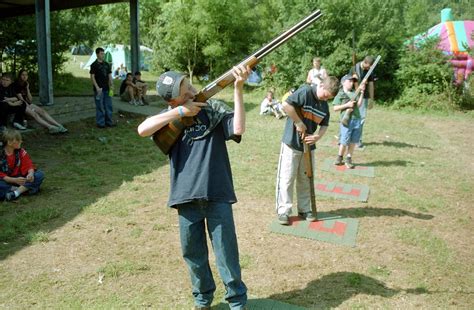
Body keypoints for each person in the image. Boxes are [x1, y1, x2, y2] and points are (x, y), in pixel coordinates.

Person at [137, 65, 251, 310]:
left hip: (217, 192)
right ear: (172, 100)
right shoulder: (171, 117)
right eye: (183, 89)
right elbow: (142, 129)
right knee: (194, 256)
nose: (190, 90)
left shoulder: (213, 108)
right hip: (185, 197)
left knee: (226, 254)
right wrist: (180, 111)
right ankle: (202, 300)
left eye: (188, 83)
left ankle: (237, 302)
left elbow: (238, 129)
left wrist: (238, 88)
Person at [276, 76, 339, 225]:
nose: (326, 99)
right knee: (287, 178)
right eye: (326, 95)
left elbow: (325, 124)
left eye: (329, 98)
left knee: (305, 179)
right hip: (291, 143)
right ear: (322, 86)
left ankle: (304, 209)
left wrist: (317, 136)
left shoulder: (324, 106)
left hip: (308, 148)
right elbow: (286, 104)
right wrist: (298, 122)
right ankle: (283, 211)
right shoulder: (305, 92)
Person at [14, 69, 68, 134]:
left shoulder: (26, 84)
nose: (24, 76)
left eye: (26, 75)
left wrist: (27, 89)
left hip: (27, 103)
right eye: (23, 75)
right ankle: (50, 127)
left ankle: (58, 125)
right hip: (20, 104)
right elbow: (21, 99)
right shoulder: (16, 85)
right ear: (19, 76)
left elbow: (30, 100)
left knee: (42, 111)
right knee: (35, 114)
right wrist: (30, 107)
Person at [0, 129, 44, 201]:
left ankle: (16, 193)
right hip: (6, 180)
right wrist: (13, 180)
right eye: (18, 140)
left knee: (39, 174)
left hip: (20, 179)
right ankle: (25, 189)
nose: (21, 141)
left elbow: (29, 165)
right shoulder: (1, 153)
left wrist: (30, 174)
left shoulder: (21, 151)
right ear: (9, 142)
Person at [332, 75, 366, 168]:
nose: (351, 83)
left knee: (353, 141)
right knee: (344, 140)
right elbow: (335, 108)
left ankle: (349, 158)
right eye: (349, 81)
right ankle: (339, 157)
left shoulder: (354, 93)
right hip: (347, 120)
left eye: (352, 81)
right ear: (343, 82)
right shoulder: (340, 94)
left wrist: (362, 93)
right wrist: (347, 105)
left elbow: (358, 105)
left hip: (357, 119)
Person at [349, 55, 376, 148]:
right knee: (348, 117)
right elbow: (348, 83)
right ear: (364, 62)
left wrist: (371, 99)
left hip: (364, 97)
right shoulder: (354, 68)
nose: (368, 68)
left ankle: (357, 139)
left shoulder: (370, 70)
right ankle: (344, 138)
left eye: (370, 67)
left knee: (361, 118)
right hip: (352, 96)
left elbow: (371, 85)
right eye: (368, 66)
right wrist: (355, 79)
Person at [90, 47, 115, 128]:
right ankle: (101, 123)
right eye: (101, 53)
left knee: (108, 105)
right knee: (100, 106)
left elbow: (109, 75)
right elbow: (92, 77)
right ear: (97, 54)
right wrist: (97, 87)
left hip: (107, 88)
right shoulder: (94, 65)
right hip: (99, 89)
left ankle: (109, 122)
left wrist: (111, 85)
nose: (103, 55)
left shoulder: (106, 64)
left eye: (103, 53)